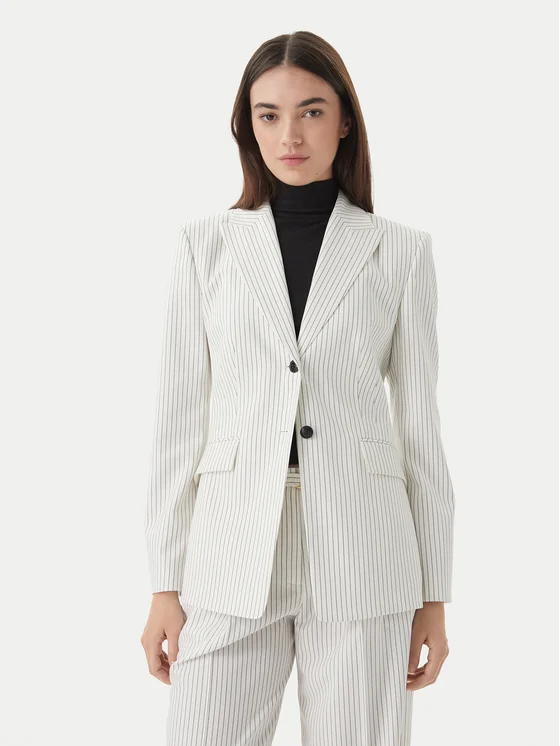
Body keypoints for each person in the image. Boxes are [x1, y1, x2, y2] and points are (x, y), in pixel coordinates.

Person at [141, 29, 455, 746]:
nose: (290, 134)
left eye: (311, 111)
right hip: (228, 547)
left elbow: (420, 432)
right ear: (247, 127)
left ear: (344, 121)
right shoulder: (205, 246)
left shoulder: (400, 252)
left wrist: (434, 594)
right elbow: (177, 422)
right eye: (269, 114)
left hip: (364, 546)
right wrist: (163, 581)